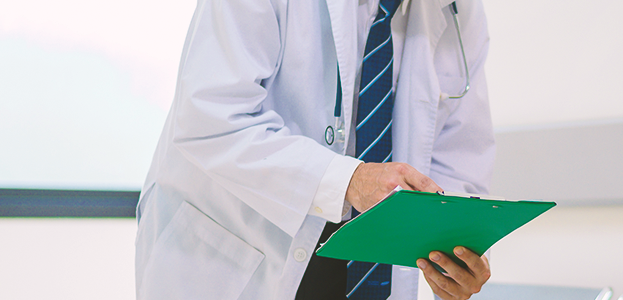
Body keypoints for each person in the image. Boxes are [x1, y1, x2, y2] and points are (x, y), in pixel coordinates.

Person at [133, 0, 496, 299]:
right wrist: (348, 180)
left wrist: (458, 256)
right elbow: (210, 119)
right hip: (233, 258)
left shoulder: (457, 11)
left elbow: (459, 161)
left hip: (367, 274)